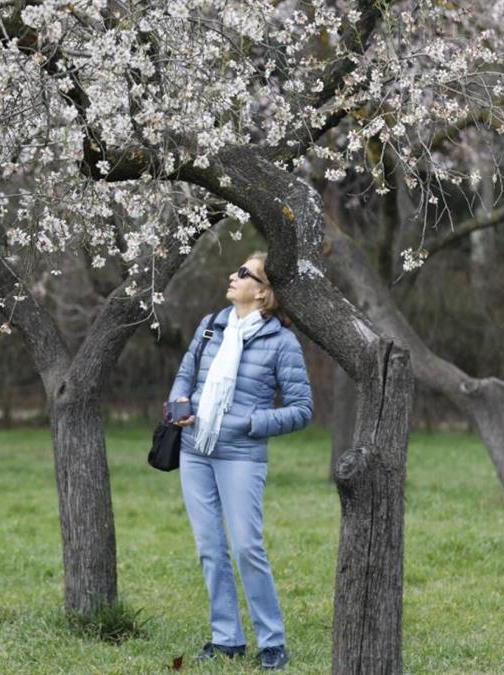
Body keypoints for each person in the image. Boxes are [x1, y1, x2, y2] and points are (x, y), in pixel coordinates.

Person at [166, 252, 313, 671]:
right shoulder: (211, 326)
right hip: (195, 448)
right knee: (210, 549)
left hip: (242, 455)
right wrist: (179, 401)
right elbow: (184, 375)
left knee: (247, 547)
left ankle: (272, 642)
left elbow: (302, 409)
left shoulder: (281, 341)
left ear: (263, 292)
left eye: (243, 273)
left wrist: (249, 422)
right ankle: (227, 639)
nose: (232, 276)